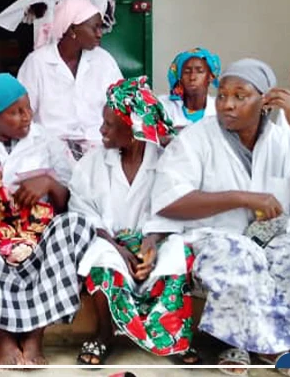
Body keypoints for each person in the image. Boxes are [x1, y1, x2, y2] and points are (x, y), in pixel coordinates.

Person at [151, 59, 290, 377]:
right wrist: (243, 197)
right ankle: (267, 347)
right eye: (223, 95)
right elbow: (169, 202)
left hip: (271, 239)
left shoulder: (281, 138)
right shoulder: (196, 139)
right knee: (242, 252)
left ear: (264, 102)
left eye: (240, 96)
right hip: (215, 241)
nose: (227, 105)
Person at [0, 73, 95, 367]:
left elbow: (69, 201)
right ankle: (2, 337)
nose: (27, 117)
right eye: (16, 112)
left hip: (37, 239)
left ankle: (34, 336)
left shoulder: (47, 141)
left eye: (28, 108)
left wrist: (49, 185)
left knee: (77, 225)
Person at [70, 77, 198, 366]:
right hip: (111, 242)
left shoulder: (166, 162)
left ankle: (174, 335)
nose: (102, 130)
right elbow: (81, 208)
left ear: (133, 129)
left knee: (179, 252)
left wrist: (150, 244)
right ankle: (105, 333)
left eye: (110, 125)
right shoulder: (91, 163)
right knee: (100, 258)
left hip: (153, 242)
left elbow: (173, 208)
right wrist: (118, 248)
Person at [17, 0, 123, 159]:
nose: (99, 34)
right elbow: (23, 113)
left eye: (100, 28)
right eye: (94, 28)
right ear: (72, 30)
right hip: (50, 149)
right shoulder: (37, 63)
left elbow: (120, 106)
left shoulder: (104, 61)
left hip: (99, 146)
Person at [161, 47, 220, 130]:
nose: (192, 77)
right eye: (187, 72)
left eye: (200, 71)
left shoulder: (220, 109)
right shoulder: (163, 107)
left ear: (211, 76)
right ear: (179, 77)